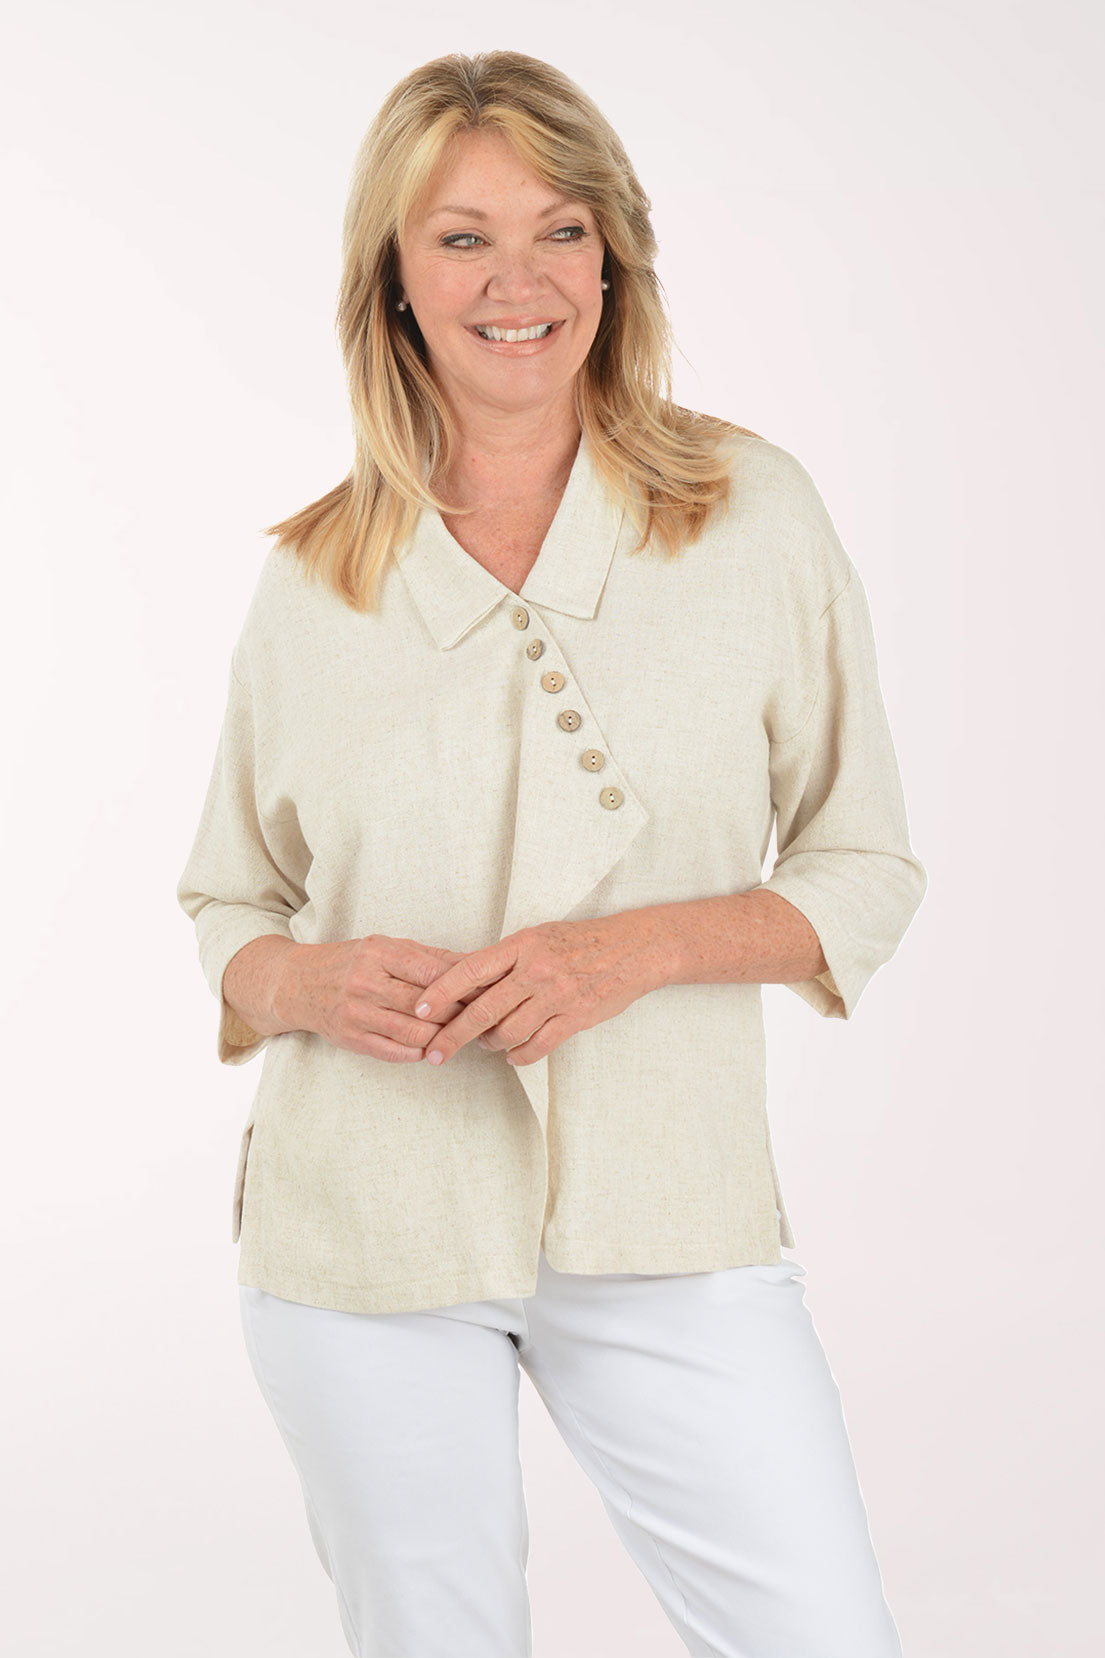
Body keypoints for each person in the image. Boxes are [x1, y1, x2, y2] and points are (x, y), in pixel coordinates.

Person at [176, 48, 926, 1658]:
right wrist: (305, 980)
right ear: (392, 277)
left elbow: (864, 864)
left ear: (612, 257)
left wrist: (631, 951)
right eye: (460, 238)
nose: (514, 282)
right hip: (362, 1226)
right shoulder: (313, 578)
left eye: (558, 231)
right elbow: (227, 897)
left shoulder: (750, 513)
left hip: (669, 1209)